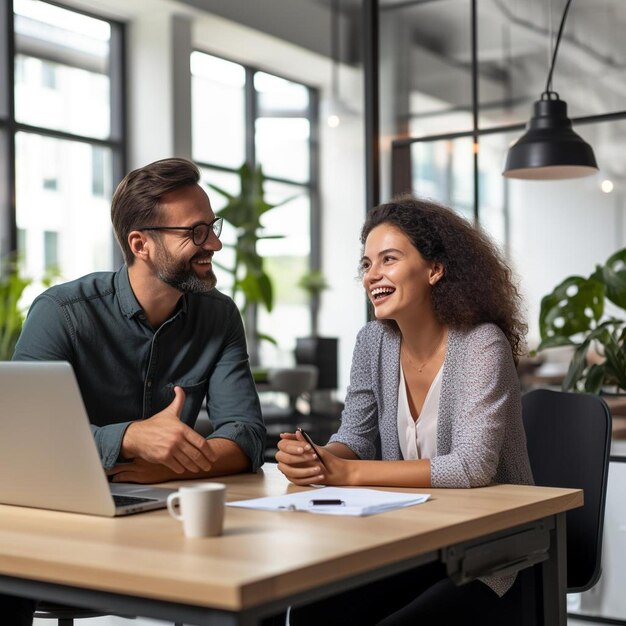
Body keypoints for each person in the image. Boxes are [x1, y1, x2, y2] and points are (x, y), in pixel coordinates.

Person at [4, 157, 267, 624]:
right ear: (140, 244)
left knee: (265, 578)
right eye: (196, 232)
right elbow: (20, 440)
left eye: (213, 227)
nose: (216, 243)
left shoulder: (219, 315)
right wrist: (128, 438)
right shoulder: (62, 312)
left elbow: (245, 436)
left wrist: (163, 469)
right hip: (63, 525)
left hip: (167, 516)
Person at [276, 195, 533, 626]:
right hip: (411, 543)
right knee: (308, 613)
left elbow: (472, 466)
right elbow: (355, 439)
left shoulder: (481, 343)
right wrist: (320, 458)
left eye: (388, 259)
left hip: (491, 556)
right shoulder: (373, 342)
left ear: (435, 269)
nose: (372, 275)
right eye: (366, 264)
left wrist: (350, 474)